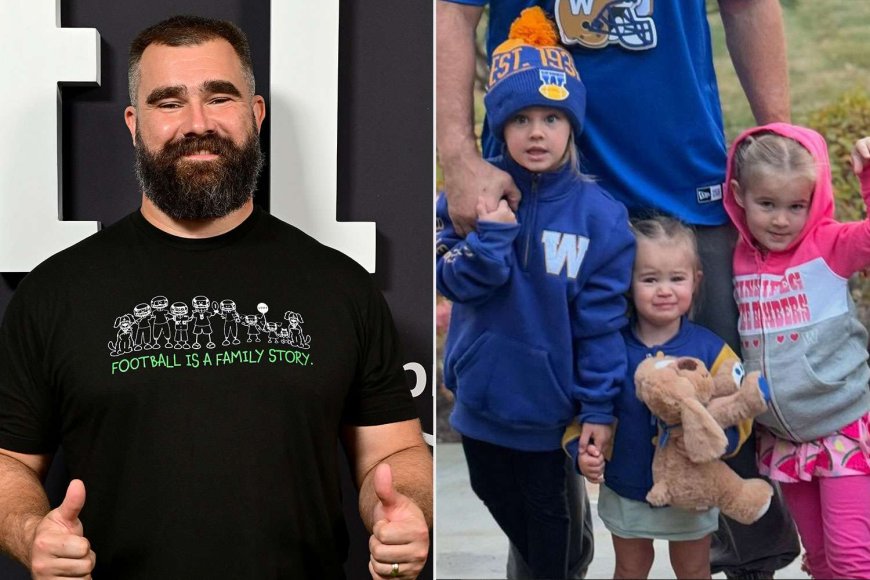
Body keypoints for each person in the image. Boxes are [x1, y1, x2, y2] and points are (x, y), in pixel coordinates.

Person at [0, 15, 432, 579]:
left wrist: (403, 512)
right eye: (168, 102)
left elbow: (394, 452)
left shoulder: (339, 285)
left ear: (255, 115)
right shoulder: (55, 292)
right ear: (134, 124)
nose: (197, 123)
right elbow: (8, 460)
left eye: (219, 96)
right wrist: (31, 531)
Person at [436, 1, 799, 577]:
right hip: (539, 190)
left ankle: (748, 566)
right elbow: (452, 12)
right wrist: (456, 155)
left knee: (715, 401)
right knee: (536, 420)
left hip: (684, 188)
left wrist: (781, 145)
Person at [436, 8, 635, 578]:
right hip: (479, 408)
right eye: (521, 118)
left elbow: (601, 325)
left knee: (551, 541)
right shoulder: (469, 196)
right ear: (499, 126)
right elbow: (454, 280)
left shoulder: (601, 218)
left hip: (550, 418)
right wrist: (493, 235)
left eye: (552, 117)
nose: (537, 132)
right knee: (497, 499)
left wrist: (598, 405)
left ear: (572, 126)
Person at [569, 215, 757, 579]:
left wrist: (720, 442)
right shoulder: (607, 349)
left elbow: (738, 409)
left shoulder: (711, 349)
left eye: (677, 278)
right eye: (650, 279)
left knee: (693, 569)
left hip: (692, 491)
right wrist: (582, 450)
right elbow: (583, 407)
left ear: (696, 281)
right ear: (628, 283)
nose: (664, 290)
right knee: (630, 568)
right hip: (627, 487)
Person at [723, 123, 870, 579]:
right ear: (739, 195)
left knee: (850, 560)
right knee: (822, 562)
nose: (782, 220)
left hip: (843, 427)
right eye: (767, 204)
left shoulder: (827, 246)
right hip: (787, 439)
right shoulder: (738, 257)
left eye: (796, 206)